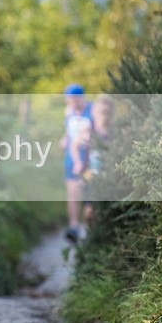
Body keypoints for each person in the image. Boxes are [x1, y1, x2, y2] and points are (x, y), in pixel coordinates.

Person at [59, 83, 92, 244]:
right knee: (72, 192)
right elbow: (68, 131)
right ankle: (73, 226)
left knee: (88, 194)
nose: (69, 102)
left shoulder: (91, 111)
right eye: (67, 99)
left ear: (79, 97)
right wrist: (64, 140)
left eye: (71, 99)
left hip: (89, 159)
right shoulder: (68, 112)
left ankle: (88, 229)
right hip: (71, 158)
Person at [81, 94, 114, 227]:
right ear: (94, 111)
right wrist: (78, 162)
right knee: (89, 211)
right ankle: (91, 236)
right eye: (101, 111)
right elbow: (75, 145)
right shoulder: (89, 129)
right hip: (91, 175)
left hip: (109, 176)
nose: (103, 115)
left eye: (107, 111)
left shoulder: (115, 130)